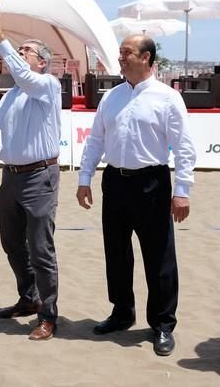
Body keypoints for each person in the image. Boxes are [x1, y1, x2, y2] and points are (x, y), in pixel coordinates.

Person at [76, 34, 196, 356]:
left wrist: (182, 191)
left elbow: (184, 147)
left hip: (152, 184)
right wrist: (84, 177)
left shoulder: (167, 98)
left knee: (158, 256)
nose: (120, 57)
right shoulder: (111, 97)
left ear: (146, 57)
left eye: (127, 52)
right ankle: (121, 312)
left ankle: (162, 324)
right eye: (120, 52)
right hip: (114, 181)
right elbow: (95, 140)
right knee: (116, 251)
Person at [0, 10, 61, 341]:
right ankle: (29, 298)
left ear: (42, 63)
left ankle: (49, 315)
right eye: (19, 50)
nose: (20, 55)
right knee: (12, 243)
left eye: (27, 52)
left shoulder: (48, 85)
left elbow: (23, 75)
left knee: (41, 248)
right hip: (10, 176)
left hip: (40, 176)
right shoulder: (11, 95)